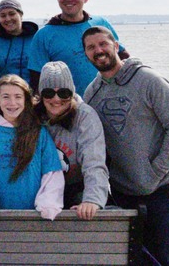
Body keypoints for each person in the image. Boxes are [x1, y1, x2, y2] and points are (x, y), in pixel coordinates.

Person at [82, 26, 169, 266]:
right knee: (132, 260)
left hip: (161, 188)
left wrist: (155, 172)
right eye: (91, 47)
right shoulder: (92, 93)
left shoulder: (149, 80)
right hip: (122, 193)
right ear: (86, 55)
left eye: (103, 44)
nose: (98, 50)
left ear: (117, 46)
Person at [0, 75, 64, 221]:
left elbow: (51, 172)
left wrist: (48, 204)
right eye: (6, 97)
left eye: (18, 97)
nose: (12, 103)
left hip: (34, 216)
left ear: (25, 100)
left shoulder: (38, 131)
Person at [28, 0, 129, 96]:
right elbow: (36, 80)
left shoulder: (101, 24)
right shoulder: (43, 35)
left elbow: (124, 57)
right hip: (70, 106)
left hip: (111, 100)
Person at [33, 61, 109, 220]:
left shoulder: (85, 116)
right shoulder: (31, 116)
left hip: (76, 187)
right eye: (48, 93)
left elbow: (94, 161)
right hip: (41, 189)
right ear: (40, 95)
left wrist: (91, 200)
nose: (56, 99)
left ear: (72, 93)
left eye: (63, 93)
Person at [0, 0, 38, 82]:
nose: (8, 19)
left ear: (21, 14)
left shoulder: (37, 39)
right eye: (3, 16)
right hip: (3, 93)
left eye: (12, 14)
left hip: (32, 93)